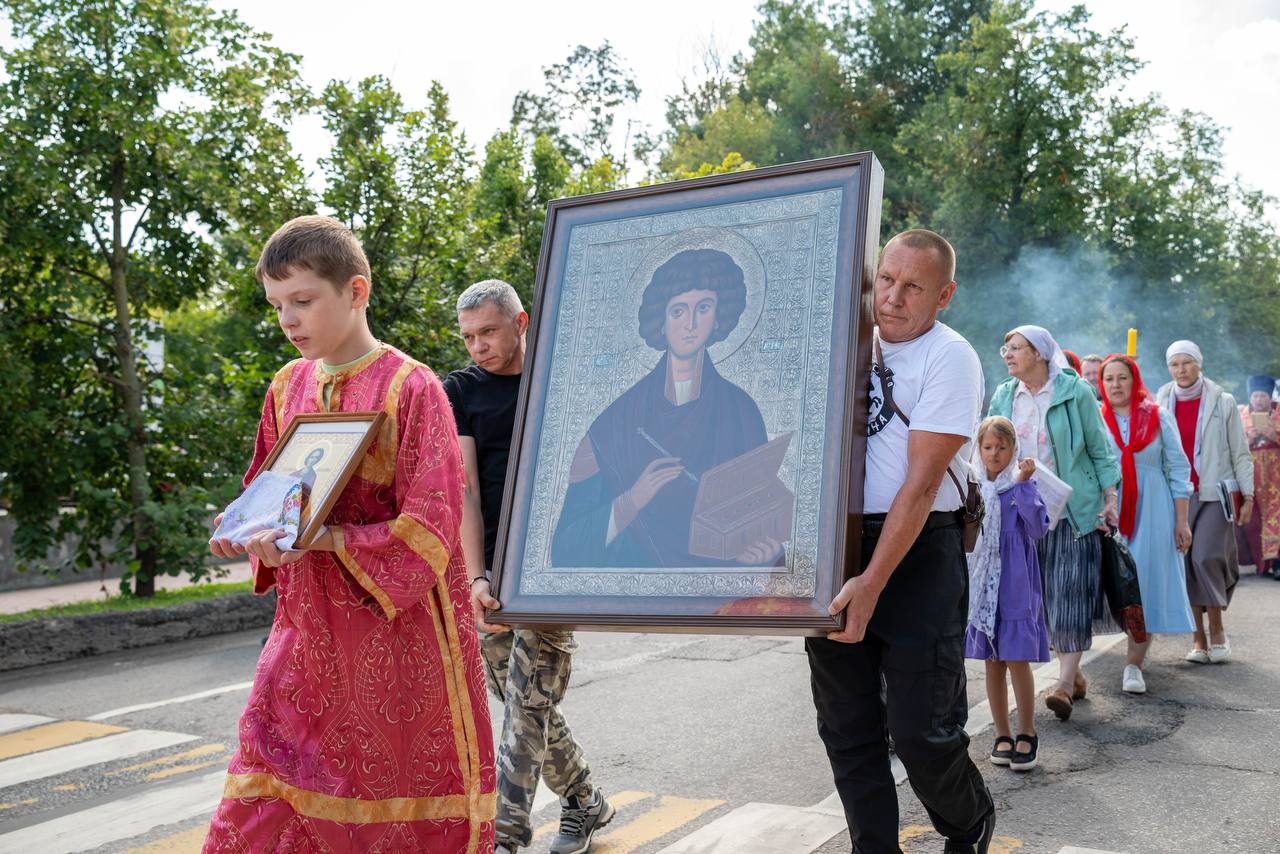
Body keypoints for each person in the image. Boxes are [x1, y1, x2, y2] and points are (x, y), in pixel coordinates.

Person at [205, 216, 496, 853]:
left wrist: (329, 539)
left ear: (356, 291)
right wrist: (242, 527)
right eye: (277, 305)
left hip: (393, 641)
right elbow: (267, 489)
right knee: (264, 793)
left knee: (381, 803)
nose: (288, 319)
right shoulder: (287, 386)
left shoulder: (411, 387)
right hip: (304, 632)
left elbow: (430, 528)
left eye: (303, 301)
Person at [808, 229, 995, 854]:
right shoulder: (842, 344)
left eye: (913, 286)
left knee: (923, 731)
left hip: (919, 551)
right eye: (886, 279)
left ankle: (968, 820)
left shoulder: (951, 357)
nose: (893, 297)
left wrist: (871, 582)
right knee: (848, 726)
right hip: (837, 547)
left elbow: (919, 487)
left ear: (944, 294)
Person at [444, 280, 614, 854]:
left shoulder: (560, 384)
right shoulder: (461, 390)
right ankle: (585, 801)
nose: (477, 347)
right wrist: (474, 577)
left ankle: (506, 839)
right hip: (490, 570)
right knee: (523, 700)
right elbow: (465, 490)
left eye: (488, 332)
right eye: (468, 336)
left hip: (553, 567)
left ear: (520, 324)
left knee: (526, 704)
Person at [550, 248, 781, 568]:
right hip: (635, 599)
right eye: (677, 311)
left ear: (718, 317)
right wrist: (632, 500)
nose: (690, 323)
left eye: (703, 308)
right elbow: (566, 545)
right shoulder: (615, 423)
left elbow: (761, 523)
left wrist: (763, 551)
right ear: (661, 319)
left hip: (717, 604)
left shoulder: (741, 413)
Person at [988, 325, 1121, 721]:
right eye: (1005, 347)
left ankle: (1062, 684)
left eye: (1016, 348)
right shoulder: (1004, 394)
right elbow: (989, 448)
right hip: (1022, 510)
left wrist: (1109, 499)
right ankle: (1074, 672)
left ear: (1040, 354)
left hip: (1071, 509)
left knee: (1070, 592)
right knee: (1038, 597)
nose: (1007, 354)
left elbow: (1099, 449)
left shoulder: (1074, 391)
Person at [1098, 354, 1195, 694]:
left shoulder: (1157, 416)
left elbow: (1180, 470)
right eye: (1108, 379)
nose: (1115, 385)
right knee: (1114, 584)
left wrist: (1182, 522)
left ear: (1134, 380)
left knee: (1144, 584)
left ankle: (1133, 665)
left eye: (1122, 377)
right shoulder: (1097, 420)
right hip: (1111, 510)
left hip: (1153, 510)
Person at [1156, 341, 1254, 663]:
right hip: (1177, 494)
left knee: (1206, 557)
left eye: (1187, 363)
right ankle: (1198, 639)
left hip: (1215, 493)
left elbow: (1240, 453)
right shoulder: (1160, 401)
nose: (1181, 370)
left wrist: (1248, 495)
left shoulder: (1223, 402)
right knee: (1184, 564)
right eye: (1175, 364)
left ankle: (1218, 627)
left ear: (1199, 364)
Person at [964, 416, 1050, 772]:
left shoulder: (1019, 486)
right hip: (984, 584)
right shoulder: (975, 487)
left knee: (1016, 658)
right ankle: (1002, 733)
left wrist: (1026, 486)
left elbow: (1038, 527)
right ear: (979, 449)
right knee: (992, 660)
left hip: (1015, 581)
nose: (995, 454)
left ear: (1014, 449)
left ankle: (1027, 731)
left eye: (1002, 447)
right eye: (988, 447)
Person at [1238, 375, 1280, 577]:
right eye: (1255, 395)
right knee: (1254, 520)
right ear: (1250, 397)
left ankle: (1276, 563)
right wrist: (1249, 438)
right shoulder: (1241, 415)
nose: (1259, 399)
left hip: (1277, 476)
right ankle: (1261, 564)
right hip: (1251, 475)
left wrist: (1273, 434)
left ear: (1269, 395)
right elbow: (1232, 446)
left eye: (1263, 395)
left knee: (1277, 516)